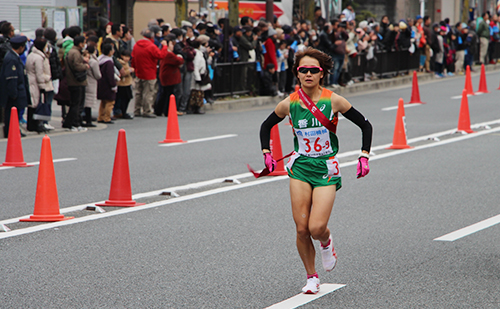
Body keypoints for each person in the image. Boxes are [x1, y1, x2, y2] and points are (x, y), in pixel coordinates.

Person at [258, 47, 372, 294]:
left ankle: (326, 241)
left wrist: (364, 156)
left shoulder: (334, 100)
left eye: (314, 70)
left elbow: (365, 125)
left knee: (316, 227)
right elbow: (266, 125)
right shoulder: (289, 103)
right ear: (297, 74)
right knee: (301, 228)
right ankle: (311, 277)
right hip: (300, 167)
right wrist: (266, 153)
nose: (308, 74)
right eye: (303, 70)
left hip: (325, 168)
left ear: (322, 74)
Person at [130, 28, 168, 118]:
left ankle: (137, 110)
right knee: (148, 93)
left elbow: (133, 58)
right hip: (149, 72)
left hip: (139, 72)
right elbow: (161, 55)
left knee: (139, 92)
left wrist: (135, 69)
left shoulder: (137, 45)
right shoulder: (151, 46)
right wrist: (165, 47)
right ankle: (147, 110)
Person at [0, 35, 30, 138]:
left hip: (17, 91)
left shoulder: (13, 56)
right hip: (13, 93)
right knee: (11, 114)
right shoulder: (12, 59)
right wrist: (13, 94)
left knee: (14, 114)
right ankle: (11, 131)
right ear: (21, 47)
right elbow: (11, 78)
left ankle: (14, 130)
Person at [25, 37, 53, 133]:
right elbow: (39, 73)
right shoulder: (39, 58)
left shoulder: (31, 55)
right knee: (37, 104)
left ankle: (31, 125)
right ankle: (36, 125)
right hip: (36, 83)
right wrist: (43, 86)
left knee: (32, 104)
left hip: (31, 82)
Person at [63, 35, 88, 132]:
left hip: (71, 81)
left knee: (74, 103)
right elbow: (77, 66)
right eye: (84, 42)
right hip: (77, 81)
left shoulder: (71, 52)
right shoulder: (76, 53)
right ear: (80, 44)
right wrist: (85, 65)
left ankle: (69, 122)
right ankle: (75, 123)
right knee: (77, 104)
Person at [157, 34, 184, 116]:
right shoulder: (169, 54)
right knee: (170, 94)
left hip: (166, 75)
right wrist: (180, 57)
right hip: (169, 76)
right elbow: (178, 61)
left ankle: (160, 110)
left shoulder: (166, 53)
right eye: (171, 44)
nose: (173, 46)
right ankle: (168, 110)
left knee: (165, 94)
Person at [96, 43, 117, 123]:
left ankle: (100, 117)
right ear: (110, 52)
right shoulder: (109, 62)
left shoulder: (100, 59)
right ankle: (107, 118)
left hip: (101, 83)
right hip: (107, 85)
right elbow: (110, 75)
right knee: (110, 102)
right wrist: (113, 85)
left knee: (103, 101)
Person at [83, 45, 101, 127]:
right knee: (89, 102)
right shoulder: (93, 62)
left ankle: (86, 118)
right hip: (91, 82)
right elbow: (98, 75)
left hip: (85, 81)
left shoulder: (85, 60)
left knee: (85, 100)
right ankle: (88, 120)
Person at [115, 50, 134, 119]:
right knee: (123, 99)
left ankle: (123, 112)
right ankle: (122, 112)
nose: (127, 58)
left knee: (127, 98)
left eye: (128, 57)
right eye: (125, 56)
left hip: (127, 83)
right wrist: (129, 71)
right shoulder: (120, 63)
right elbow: (121, 73)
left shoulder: (126, 63)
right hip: (122, 83)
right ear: (122, 56)